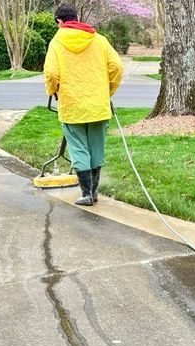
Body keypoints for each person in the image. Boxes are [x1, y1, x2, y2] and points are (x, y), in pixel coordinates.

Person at [44, 3, 123, 206]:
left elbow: (51, 73)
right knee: (96, 148)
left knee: (78, 148)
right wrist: (107, 91)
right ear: (76, 18)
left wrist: (53, 90)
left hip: (72, 106)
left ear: (59, 22)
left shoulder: (57, 42)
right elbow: (116, 67)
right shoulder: (99, 40)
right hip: (98, 105)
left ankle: (86, 194)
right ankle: (94, 193)